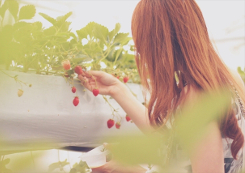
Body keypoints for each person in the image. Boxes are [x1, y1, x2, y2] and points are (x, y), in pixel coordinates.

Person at [78, 0, 245, 172]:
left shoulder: (197, 98)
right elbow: (173, 139)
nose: (141, 52)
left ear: (159, 43)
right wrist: (117, 89)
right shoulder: (229, 78)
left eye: (142, 42)